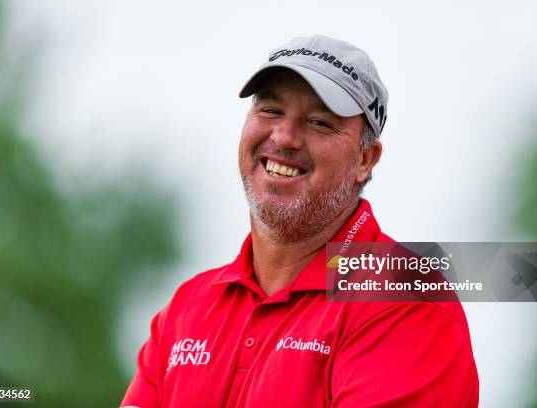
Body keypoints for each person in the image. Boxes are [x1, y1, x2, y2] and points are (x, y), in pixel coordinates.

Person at [121, 34, 479, 408]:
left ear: (365, 160)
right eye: (271, 110)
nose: (284, 136)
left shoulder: (405, 298)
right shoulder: (186, 308)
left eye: (319, 122)